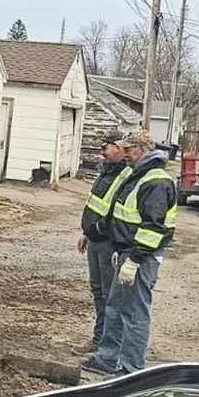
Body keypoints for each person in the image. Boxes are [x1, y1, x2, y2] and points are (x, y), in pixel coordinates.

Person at [81, 127, 177, 375]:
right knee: (115, 309)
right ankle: (107, 359)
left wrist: (134, 259)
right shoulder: (137, 176)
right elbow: (121, 216)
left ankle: (131, 369)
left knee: (134, 314)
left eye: (128, 150)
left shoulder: (155, 181)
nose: (125, 155)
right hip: (126, 253)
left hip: (140, 258)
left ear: (141, 150)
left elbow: (153, 228)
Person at [72, 129, 131, 356]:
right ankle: (100, 339)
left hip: (108, 242)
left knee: (109, 295)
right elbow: (95, 205)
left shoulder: (125, 175)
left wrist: (98, 230)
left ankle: (107, 344)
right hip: (95, 239)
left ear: (118, 148)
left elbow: (117, 212)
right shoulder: (106, 172)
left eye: (105, 147)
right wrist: (86, 231)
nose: (101, 152)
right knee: (98, 291)